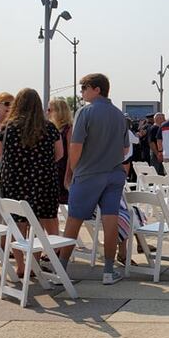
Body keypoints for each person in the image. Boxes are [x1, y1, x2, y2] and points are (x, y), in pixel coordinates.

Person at [58, 73, 129, 285]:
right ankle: (108, 270)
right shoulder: (119, 115)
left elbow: (76, 147)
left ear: (97, 89)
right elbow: (126, 149)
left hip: (89, 174)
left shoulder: (85, 112)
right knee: (110, 220)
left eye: (84, 88)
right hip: (114, 174)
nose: (82, 92)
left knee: (74, 220)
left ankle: (62, 268)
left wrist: (71, 172)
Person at [0, 88, 63, 278]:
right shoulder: (50, 128)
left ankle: (20, 265)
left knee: (18, 223)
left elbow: (0, 156)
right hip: (43, 180)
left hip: (14, 180)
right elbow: (59, 154)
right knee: (41, 222)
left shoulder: (6, 128)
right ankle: (36, 262)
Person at [48, 97, 73, 208]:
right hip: (53, 169)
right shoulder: (54, 129)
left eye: (50, 110)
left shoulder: (68, 129)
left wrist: (67, 176)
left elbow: (70, 154)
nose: (47, 113)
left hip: (62, 170)